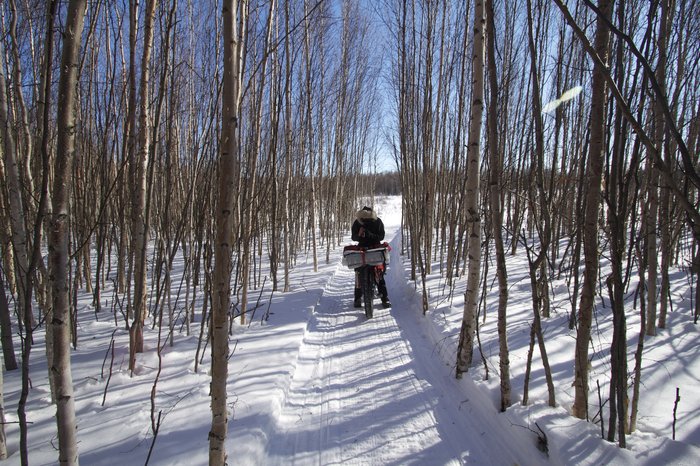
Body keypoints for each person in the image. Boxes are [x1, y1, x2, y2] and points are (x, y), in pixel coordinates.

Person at [351, 206, 391, 308]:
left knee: (358, 273)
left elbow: (353, 237)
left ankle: (357, 298)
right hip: (375, 249)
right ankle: (384, 298)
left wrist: (362, 235)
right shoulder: (378, 221)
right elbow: (381, 236)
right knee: (379, 274)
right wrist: (370, 235)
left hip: (362, 250)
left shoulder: (357, 222)